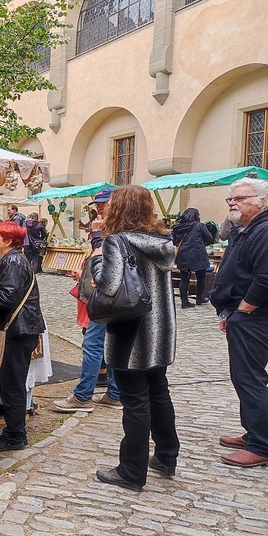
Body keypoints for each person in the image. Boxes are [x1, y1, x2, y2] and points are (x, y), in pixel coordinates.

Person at [89, 185, 178, 491]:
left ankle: (131, 470)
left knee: (135, 401)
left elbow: (109, 285)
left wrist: (97, 258)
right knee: (159, 392)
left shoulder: (117, 241)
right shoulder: (162, 240)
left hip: (132, 332)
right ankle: (166, 455)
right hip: (160, 330)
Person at [210, 178, 268, 468]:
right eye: (230, 199)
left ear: (261, 201)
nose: (233, 203)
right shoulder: (248, 228)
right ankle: (255, 433)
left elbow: (265, 278)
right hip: (242, 314)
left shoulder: (266, 229)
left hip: (255, 317)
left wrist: (244, 311)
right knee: (244, 377)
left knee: (250, 378)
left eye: (240, 198)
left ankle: (263, 445)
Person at [53, 187, 121, 412]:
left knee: (92, 344)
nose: (99, 207)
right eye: (98, 204)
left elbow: (105, 259)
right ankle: (114, 393)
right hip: (110, 296)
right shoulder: (112, 228)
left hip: (104, 297)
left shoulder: (112, 232)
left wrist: (98, 238)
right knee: (109, 345)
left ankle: (83, 397)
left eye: (104, 203)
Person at [0, 221, 46, 451]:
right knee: (12, 384)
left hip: (18, 331)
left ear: (8, 240)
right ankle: (13, 432)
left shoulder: (14, 261)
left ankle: (16, 436)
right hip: (19, 329)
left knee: (13, 386)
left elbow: (7, 298)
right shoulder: (12, 260)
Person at [172, 207, 214, 308]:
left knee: (184, 278)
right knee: (201, 277)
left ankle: (184, 301)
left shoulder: (177, 227)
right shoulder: (199, 226)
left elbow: (174, 241)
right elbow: (210, 238)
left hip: (183, 255)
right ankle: (199, 298)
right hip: (198, 254)